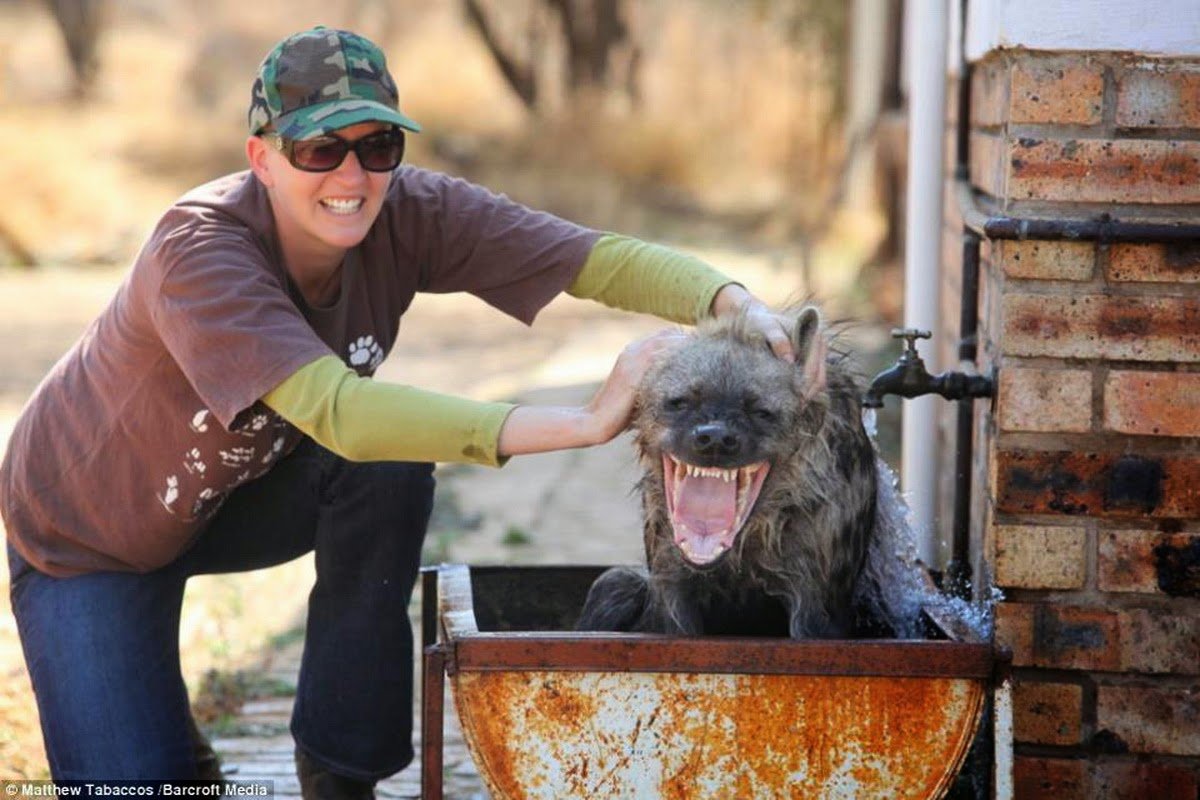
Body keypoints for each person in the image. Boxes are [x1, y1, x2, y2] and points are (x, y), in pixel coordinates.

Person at [0, 26, 793, 795]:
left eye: (377, 146)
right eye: (318, 149)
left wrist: (736, 302)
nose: (351, 178)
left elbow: (590, 258)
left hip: (227, 500)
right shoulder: (200, 251)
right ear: (262, 159)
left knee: (388, 469)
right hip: (90, 532)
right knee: (143, 789)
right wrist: (583, 424)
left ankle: (339, 771)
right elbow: (342, 413)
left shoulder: (407, 211)